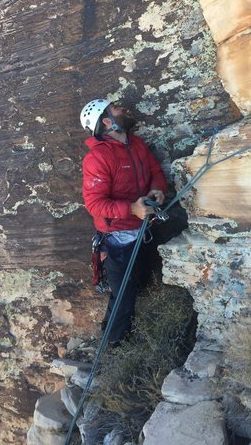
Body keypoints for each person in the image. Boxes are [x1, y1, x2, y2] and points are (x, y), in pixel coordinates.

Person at [80, 98, 167, 344]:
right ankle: (114, 346)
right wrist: (131, 209)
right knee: (123, 297)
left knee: (139, 286)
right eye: (116, 107)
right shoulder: (98, 158)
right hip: (118, 240)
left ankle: (125, 339)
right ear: (107, 121)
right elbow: (94, 204)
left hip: (143, 230)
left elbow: (155, 172)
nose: (123, 109)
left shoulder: (136, 144)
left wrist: (158, 190)